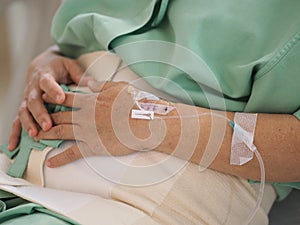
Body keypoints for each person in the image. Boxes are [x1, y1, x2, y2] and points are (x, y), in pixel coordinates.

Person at [1, 0, 300, 224]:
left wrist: (148, 121)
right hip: (17, 178)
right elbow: (81, 34)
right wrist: (48, 61)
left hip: (138, 209)